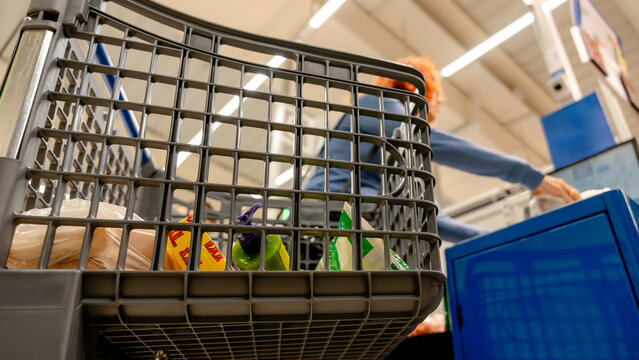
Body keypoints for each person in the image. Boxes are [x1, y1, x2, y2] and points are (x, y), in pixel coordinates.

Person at [304, 56, 581, 243]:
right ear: (421, 90)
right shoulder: (381, 105)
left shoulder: (387, 143)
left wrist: (496, 239)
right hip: (333, 214)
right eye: (434, 97)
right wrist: (530, 175)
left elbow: (431, 218)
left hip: (337, 220)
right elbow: (435, 143)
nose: (435, 106)